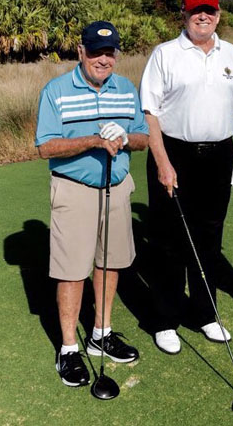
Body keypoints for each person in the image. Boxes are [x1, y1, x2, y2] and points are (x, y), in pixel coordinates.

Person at [35, 21, 150, 386]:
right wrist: (93, 140)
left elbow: (144, 137)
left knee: (109, 262)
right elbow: (45, 147)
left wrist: (126, 137)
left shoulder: (126, 88)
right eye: (96, 51)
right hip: (74, 190)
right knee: (72, 271)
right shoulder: (57, 90)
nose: (104, 59)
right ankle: (69, 348)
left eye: (110, 52)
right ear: (81, 52)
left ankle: (101, 333)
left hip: (116, 188)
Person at [139, 0, 233, 354]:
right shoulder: (165, 55)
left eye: (209, 11)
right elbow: (150, 112)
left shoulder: (231, 53)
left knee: (209, 238)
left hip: (219, 155)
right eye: (195, 12)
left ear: (218, 14)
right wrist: (162, 162)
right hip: (175, 153)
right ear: (183, 17)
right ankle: (165, 319)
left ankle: (206, 314)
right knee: (170, 240)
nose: (203, 17)